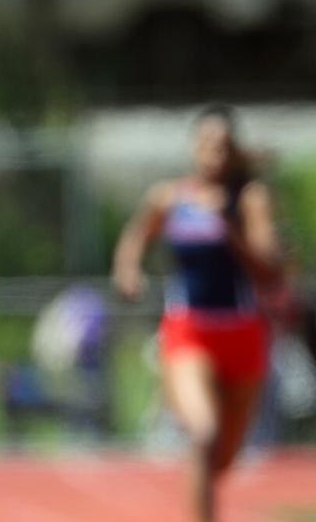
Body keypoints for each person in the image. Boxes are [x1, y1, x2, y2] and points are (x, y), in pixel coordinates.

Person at [112, 105, 281, 522]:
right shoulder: (170, 197)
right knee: (203, 435)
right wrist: (128, 271)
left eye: (223, 147)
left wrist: (232, 230)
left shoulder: (249, 199)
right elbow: (136, 236)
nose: (214, 154)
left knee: (222, 457)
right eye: (206, 144)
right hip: (190, 333)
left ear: (233, 151)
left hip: (243, 334)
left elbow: (270, 270)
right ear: (195, 148)